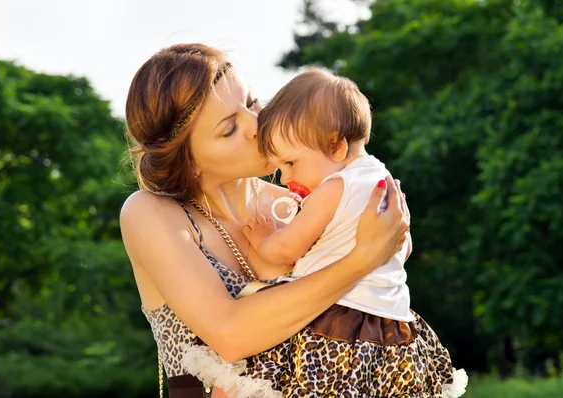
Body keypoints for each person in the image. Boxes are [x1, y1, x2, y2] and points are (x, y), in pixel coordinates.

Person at [120, 43, 410, 398]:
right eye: (229, 129)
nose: (256, 124)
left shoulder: (304, 201)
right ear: (188, 159)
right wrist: (361, 260)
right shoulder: (153, 214)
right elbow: (230, 335)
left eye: (252, 102)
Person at [183, 68, 468, 397]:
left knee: (245, 381)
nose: (285, 178)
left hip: (335, 319)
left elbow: (286, 249)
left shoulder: (333, 188)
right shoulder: (382, 180)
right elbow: (401, 249)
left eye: (291, 163)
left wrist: (261, 238)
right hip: (390, 326)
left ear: (335, 147)